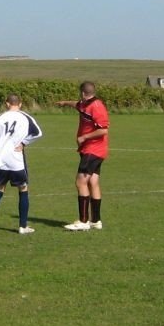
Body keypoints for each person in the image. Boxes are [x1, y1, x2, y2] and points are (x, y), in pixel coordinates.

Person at [0, 94, 43, 235]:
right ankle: (22, 226)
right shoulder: (25, 117)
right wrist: (24, 143)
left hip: (1, 160)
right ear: (20, 104)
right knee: (23, 189)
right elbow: (38, 133)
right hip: (16, 160)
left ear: (7, 104)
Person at [57, 81, 109, 231]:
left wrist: (84, 137)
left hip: (93, 150)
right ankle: (96, 221)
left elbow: (103, 130)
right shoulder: (85, 104)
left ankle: (83, 221)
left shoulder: (97, 107)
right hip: (90, 150)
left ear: (83, 93)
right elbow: (77, 104)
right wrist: (65, 103)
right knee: (93, 182)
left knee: (80, 182)